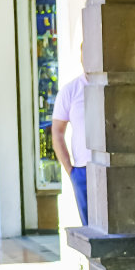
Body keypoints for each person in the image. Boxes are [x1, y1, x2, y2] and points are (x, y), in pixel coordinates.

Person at [51, 70, 90, 226]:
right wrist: (71, 171)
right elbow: (57, 132)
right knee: (90, 228)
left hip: (115, 168)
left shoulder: (113, 85)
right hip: (83, 169)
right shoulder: (71, 90)